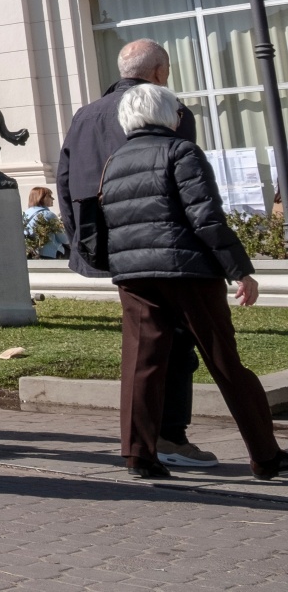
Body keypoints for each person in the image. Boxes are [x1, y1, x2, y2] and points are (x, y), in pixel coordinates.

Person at [102, 82, 284, 480]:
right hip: (187, 270)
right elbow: (206, 217)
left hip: (133, 274)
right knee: (225, 362)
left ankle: (138, 457)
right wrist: (239, 269)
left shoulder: (114, 159)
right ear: (171, 116)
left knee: (142, 365)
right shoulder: (180, 151)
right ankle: (266, 456)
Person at [55, 37, 215, 469]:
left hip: (112, 248)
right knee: (178, 344)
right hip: (166, 250)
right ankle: (169, 437)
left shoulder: (85, 115)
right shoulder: (167, 108)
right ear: (160, 71)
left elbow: (65, 181)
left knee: (142, 347)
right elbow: (186, 187)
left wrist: (85, 246)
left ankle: (144, 445)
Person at [25, 187, 67, 258]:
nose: (53, 199)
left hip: (30, 253)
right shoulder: (48, 214)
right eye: (50, 196)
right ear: (41, 198)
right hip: (50, 254)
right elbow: (64, 239)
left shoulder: (25, 214)